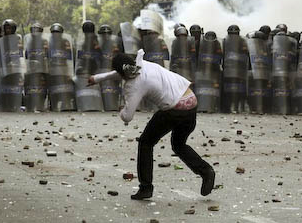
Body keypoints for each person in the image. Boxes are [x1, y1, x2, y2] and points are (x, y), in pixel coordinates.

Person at [88, 49, 215, 200]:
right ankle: (206, 171)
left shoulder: (133, 86)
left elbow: (128, 117)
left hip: (175, 109)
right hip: (191, 101)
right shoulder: (143, 64)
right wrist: (97, 78)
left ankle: (145, 188)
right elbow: (120, 71)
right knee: (179, 145)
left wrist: (121, 110)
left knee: (145, 143)